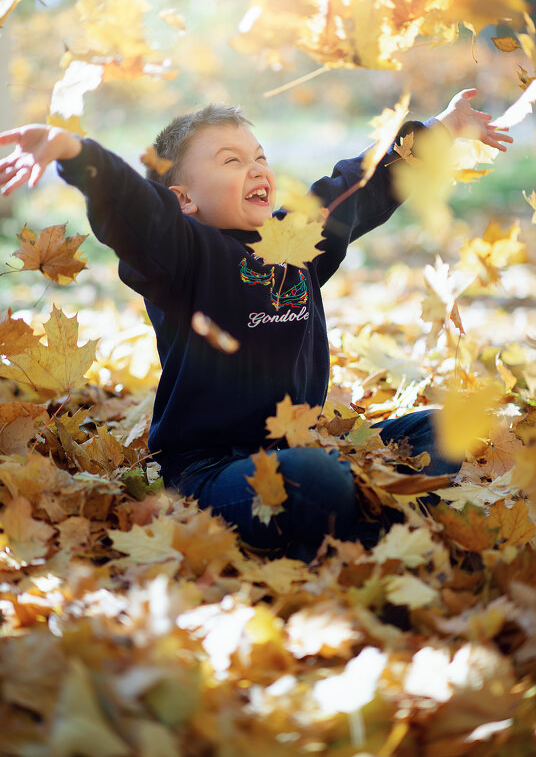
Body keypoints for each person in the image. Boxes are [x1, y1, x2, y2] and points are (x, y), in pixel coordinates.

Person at [0, 90, 512, 562]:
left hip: (302, 445)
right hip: (215, 471)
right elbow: (137, 212)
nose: (256, 168)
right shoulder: (181, 257)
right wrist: (75, 152)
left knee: (445, 428)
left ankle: (366, 508)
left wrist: (439, 129)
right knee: (311, 479)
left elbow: (357, 188)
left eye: (260, 156)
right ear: (184, 199)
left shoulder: (296, 239)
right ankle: (370, 530)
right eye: (232, 160)